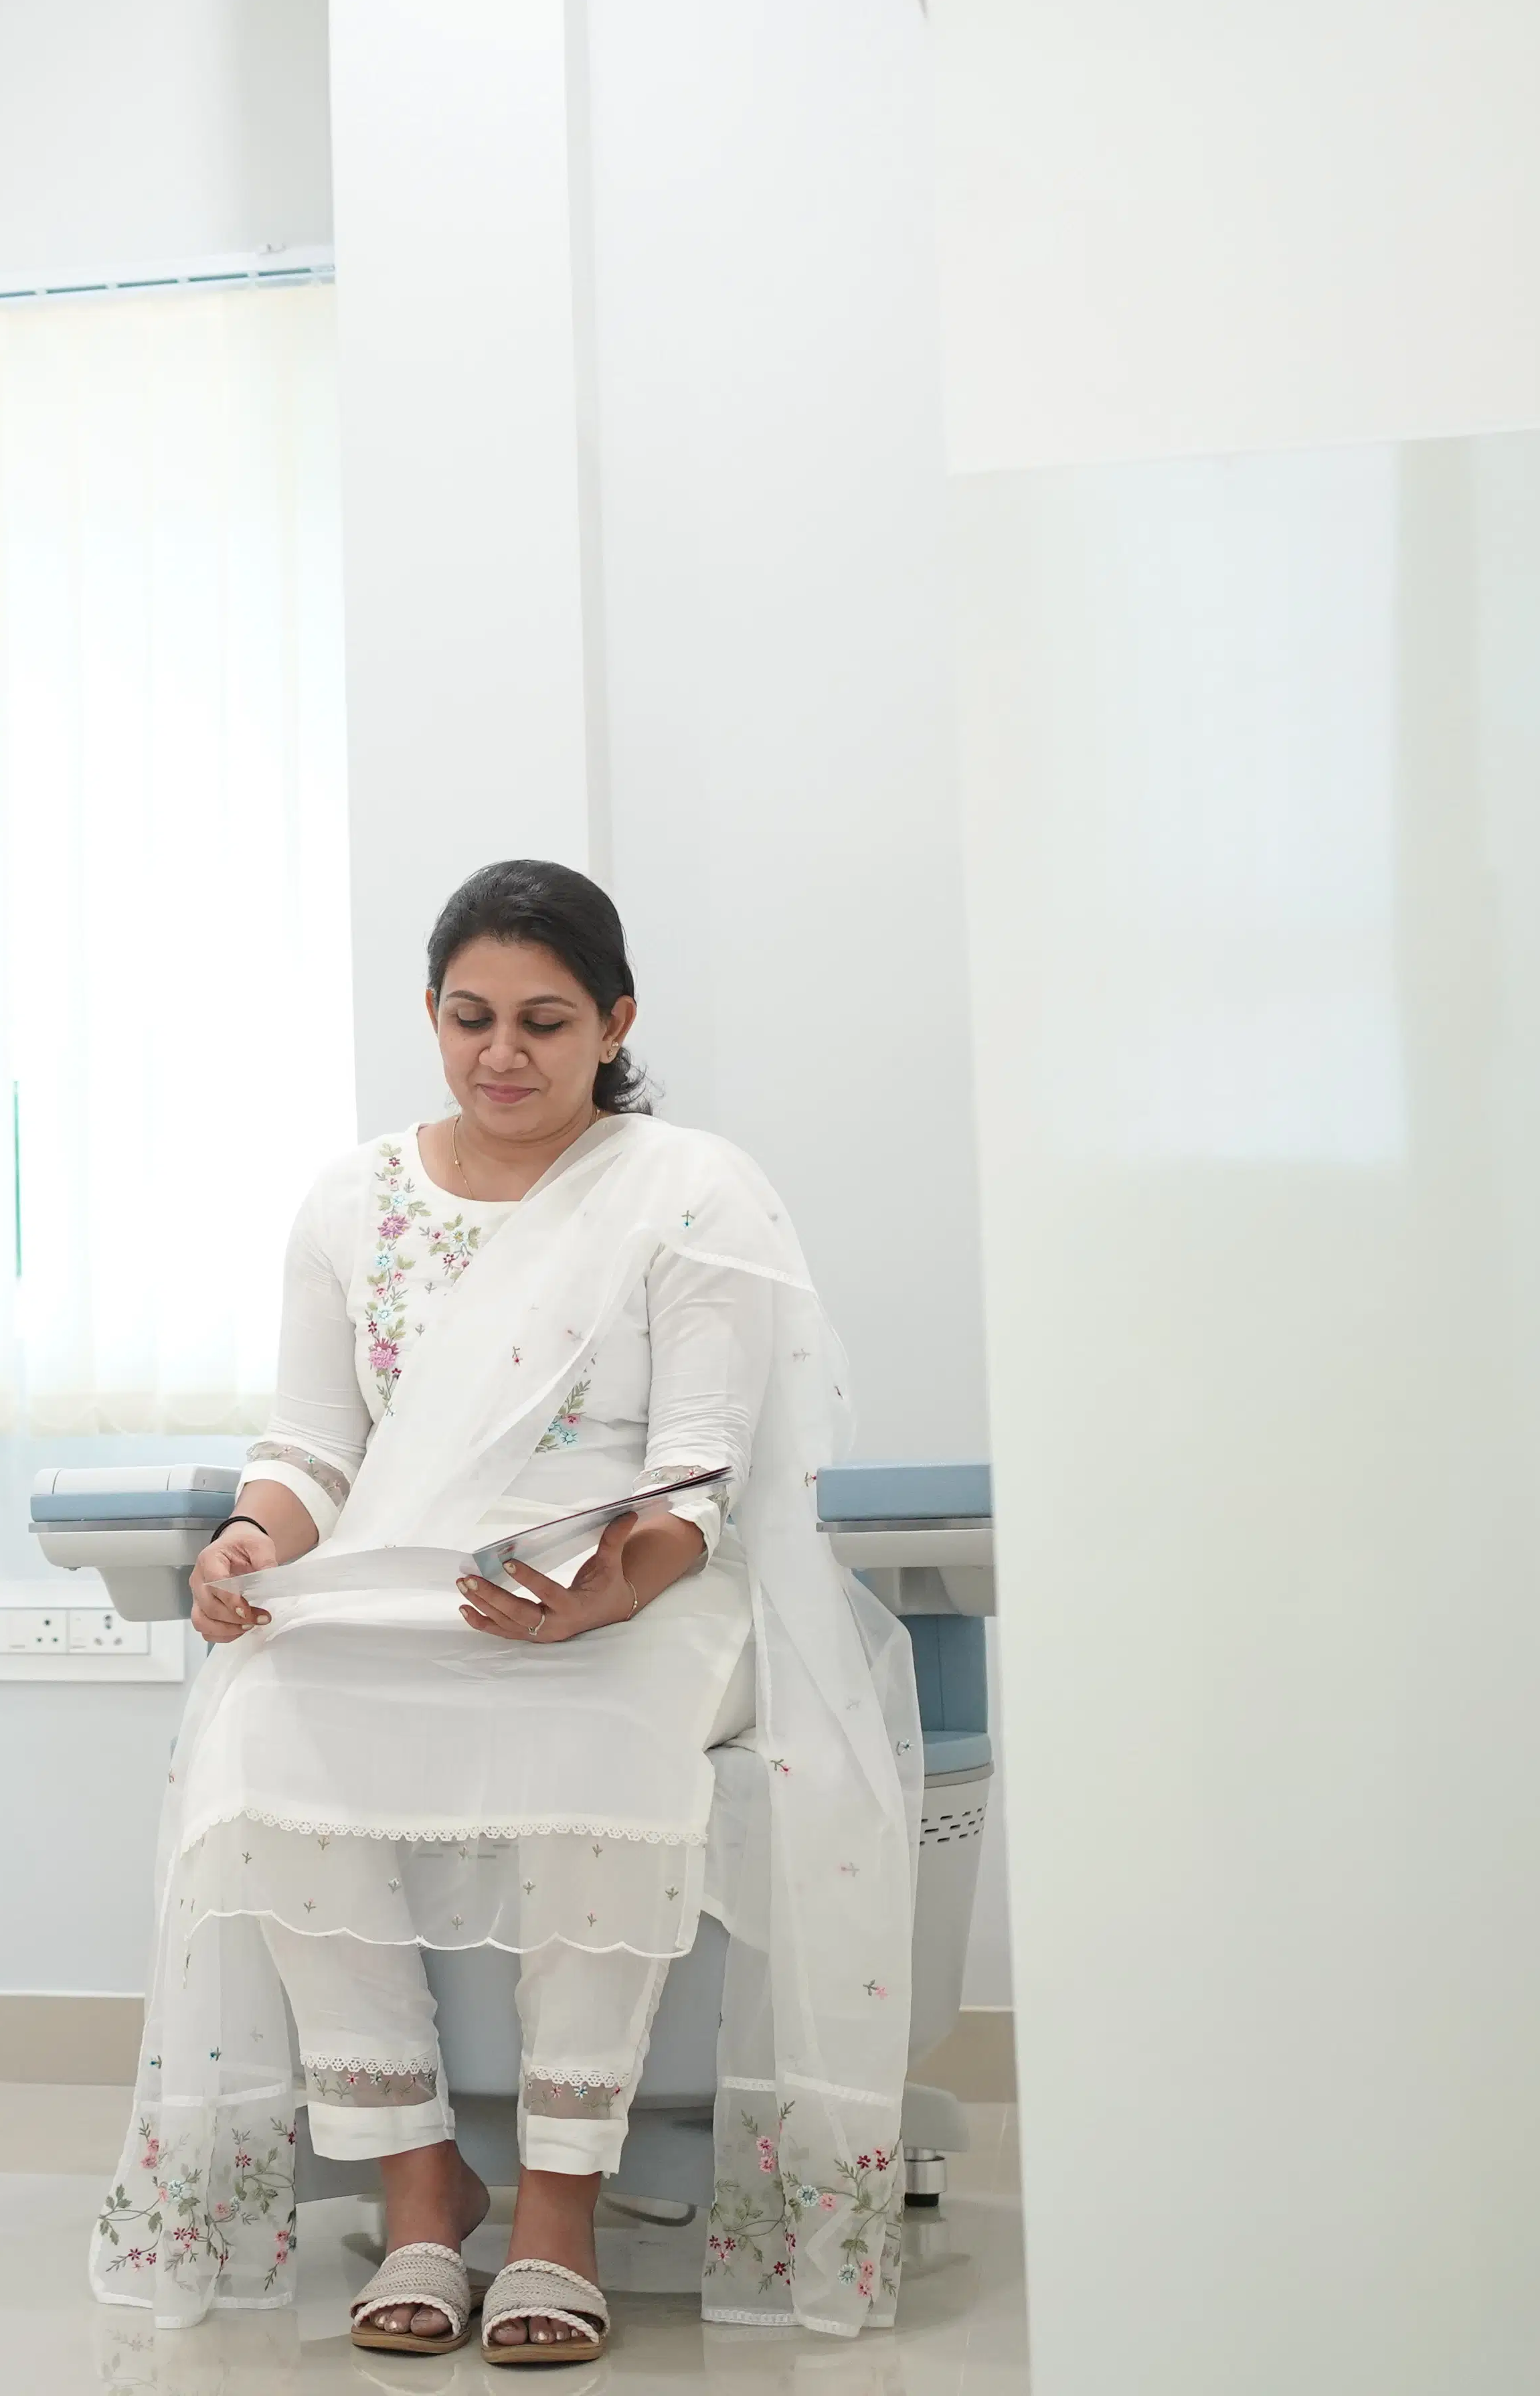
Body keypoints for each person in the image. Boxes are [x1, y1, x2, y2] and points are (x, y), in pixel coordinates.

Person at [88, 860, 920, 2360]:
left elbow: (695, 1472)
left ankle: (556, 2209)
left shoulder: (689, 1189)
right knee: (263, 1711)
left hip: (639, 1585)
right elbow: (312, 1447)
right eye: (471, 1017)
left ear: (616, 1023)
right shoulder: (351, 1200)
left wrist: (606, 1591)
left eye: (545, 1020)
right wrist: (249, 1539)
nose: (503, 1053)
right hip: (407, 1579)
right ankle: (420, 2179)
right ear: (431, 1013)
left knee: (607, 1723)